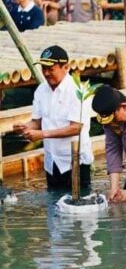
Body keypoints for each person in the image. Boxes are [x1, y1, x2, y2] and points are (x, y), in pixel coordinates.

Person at [12, 46, 93, 191]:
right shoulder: (41, 90)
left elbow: (76, 128)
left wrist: (42, 134)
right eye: (43, 68)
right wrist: (24, 127)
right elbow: (36, 122)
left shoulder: (78, 91)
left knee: (78, 202)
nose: (46, 73)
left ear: (66, 67)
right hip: (52, 160)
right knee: (54, 201)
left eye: (50, 69)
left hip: (75, 160)